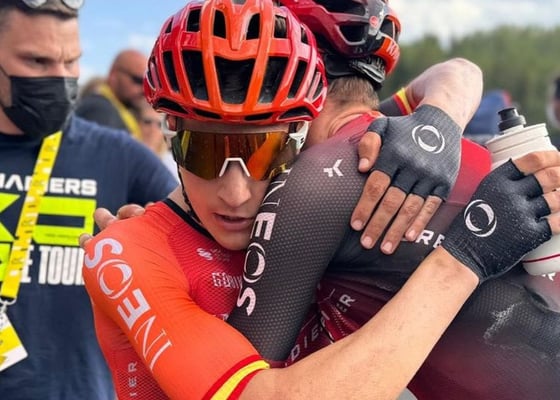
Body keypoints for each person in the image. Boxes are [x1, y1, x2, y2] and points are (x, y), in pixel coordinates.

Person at [81, 1, 560, 399]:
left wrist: (437, 123)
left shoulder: (341, 172)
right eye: (203, 153)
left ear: (304, 134)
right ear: (171, 136)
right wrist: (464, 257)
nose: (236, 193)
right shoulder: (128, 251)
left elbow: (451, 75)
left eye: (266, 153)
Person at [225, 2, 560, 399]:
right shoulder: (440, 142)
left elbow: (245, 385)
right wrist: (440, 117)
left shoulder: (312, 183)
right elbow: (457, 71)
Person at [0, 1, 177, 399]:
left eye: (71, 61)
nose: (60, 78)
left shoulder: (120, 156)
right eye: (37, 61)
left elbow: (214, 230)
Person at [75, 48, 148, 140]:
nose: (144, 90)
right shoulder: (100, 111)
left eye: (148, 84)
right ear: (114, 74)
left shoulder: (116, 112)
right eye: (138, 80)